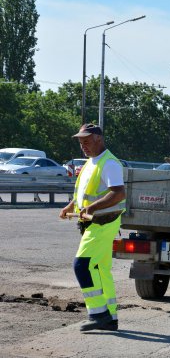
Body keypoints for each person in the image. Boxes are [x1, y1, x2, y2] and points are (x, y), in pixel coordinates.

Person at [59, 124, 126, 332]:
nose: (83, 146)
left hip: (103, 222)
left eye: (86, 141)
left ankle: (98, 314)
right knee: (99, 268)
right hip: (95, 221)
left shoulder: (110, 163)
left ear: (98, 138)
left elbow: (118, 193)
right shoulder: (90, 163)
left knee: (81, 265)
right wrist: (71, 206)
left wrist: (92, 207)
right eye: (81, 143)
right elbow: (85, 192)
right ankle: (110, 317)